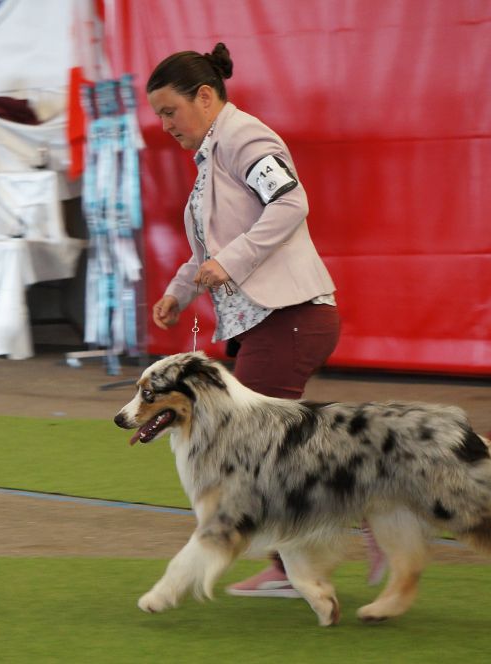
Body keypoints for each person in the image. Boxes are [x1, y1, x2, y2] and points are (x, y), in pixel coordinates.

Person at [145, 42, 385, 597]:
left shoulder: (243, 137)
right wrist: (179, 292)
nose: (165, 125)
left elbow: (291, 203)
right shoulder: (212, 154)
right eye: (159, 114)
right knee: (276, 451)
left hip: (290, 316)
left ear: (205, 97)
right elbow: (210, 246)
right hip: (276, 320)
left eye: (169, 111)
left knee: (248, 449)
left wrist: (227, 262)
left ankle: (302, 560)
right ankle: (350, 520)